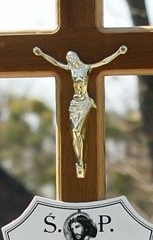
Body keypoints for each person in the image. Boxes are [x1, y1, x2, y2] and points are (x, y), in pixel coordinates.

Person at [32, 45, 128, 178]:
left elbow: (104, 61)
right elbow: (55, 62)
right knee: (74, 132)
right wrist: (41, 54)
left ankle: (81, 162)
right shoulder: (71, 68)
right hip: (74, 103)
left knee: (78, 131)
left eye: (71, 58)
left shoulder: (85, 68)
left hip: (84, 102)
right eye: (68, 59)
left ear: (76, 57)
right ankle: (79, 162)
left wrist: (118, 52)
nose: (70, 60)